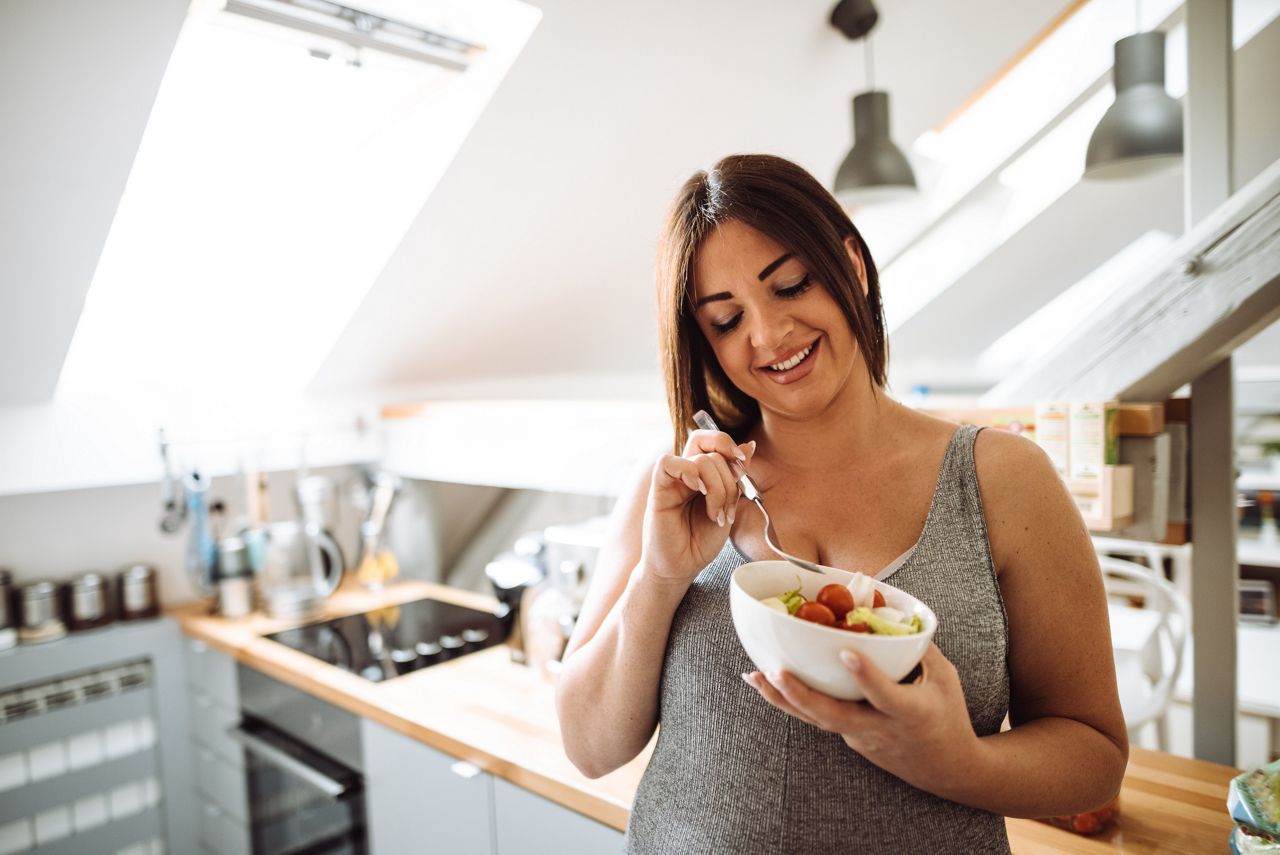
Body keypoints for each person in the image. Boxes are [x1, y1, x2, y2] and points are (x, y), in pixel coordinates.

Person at [554, 154, 1128, 853]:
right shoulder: (675, 490)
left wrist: (957, 763)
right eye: (727, 320)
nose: (767, 336)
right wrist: (661, 577)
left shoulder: (1003, 479)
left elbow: (1094, 758)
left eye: (790, 284)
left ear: (851, 264)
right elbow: (587, 746)